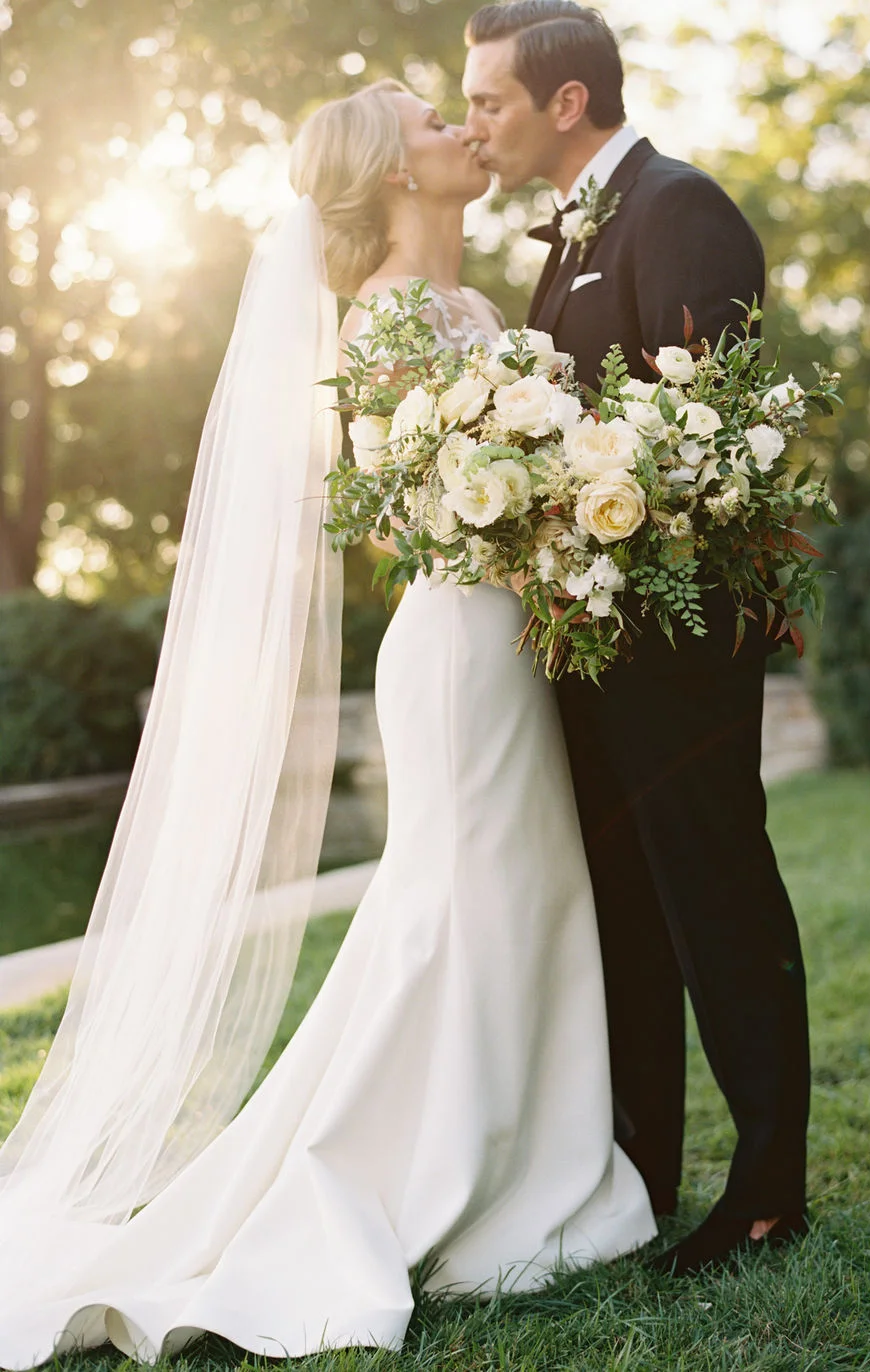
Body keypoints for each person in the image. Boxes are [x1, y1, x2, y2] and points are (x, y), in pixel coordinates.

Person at [0, 81, 655, 1371]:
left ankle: (524, 1160)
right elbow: (447, 511)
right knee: (459, 900)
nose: (463, 130)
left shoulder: (469, 306)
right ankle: (424, 1176)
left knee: (512, 897)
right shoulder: (388, 322)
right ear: (391, 175)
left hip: (510, 643)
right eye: (432, 123)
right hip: (464, 645)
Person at [462, 0, 812, 1274]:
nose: (474, 123)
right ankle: (638, 1183)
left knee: (716, 900)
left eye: (489, 100)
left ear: (566, 103)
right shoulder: (569, 238)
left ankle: (771, 1188)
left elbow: (708, 435)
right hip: (592, 645)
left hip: (677, 651)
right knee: (626, 919)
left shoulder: (681, 210)